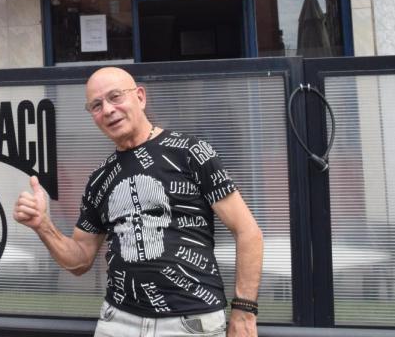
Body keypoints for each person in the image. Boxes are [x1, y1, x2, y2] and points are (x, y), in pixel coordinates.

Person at [14, 66, 263, 337]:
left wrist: (244, 313)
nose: (108, 110)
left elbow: (247, 232)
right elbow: (80, 259)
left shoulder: (190, 153)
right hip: (118, 321)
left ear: (140, 97)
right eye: (96, 105)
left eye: (115, 97)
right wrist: (43, 226)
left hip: (190, 321)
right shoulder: (100, 178)